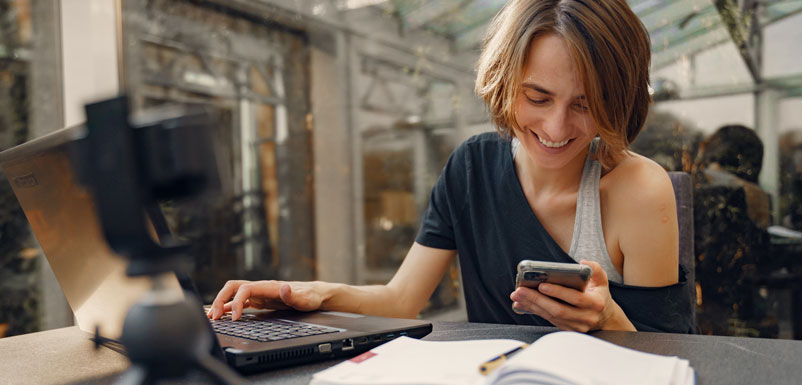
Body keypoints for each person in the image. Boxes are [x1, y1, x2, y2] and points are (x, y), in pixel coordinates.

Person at [208, 0, 694, 333]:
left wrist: (606, 318)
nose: (556, 125)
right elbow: (401, 301)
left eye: (584, 105)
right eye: (537, 97)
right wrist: (304, 293)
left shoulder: (639, 190)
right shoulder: (471, 169)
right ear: (505, 82)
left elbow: (677, 357)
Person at [692, 124, 773, 336]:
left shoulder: (691, 182)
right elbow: (760, 261)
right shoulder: (751, 193)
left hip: (695, 307)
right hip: (737, 310)